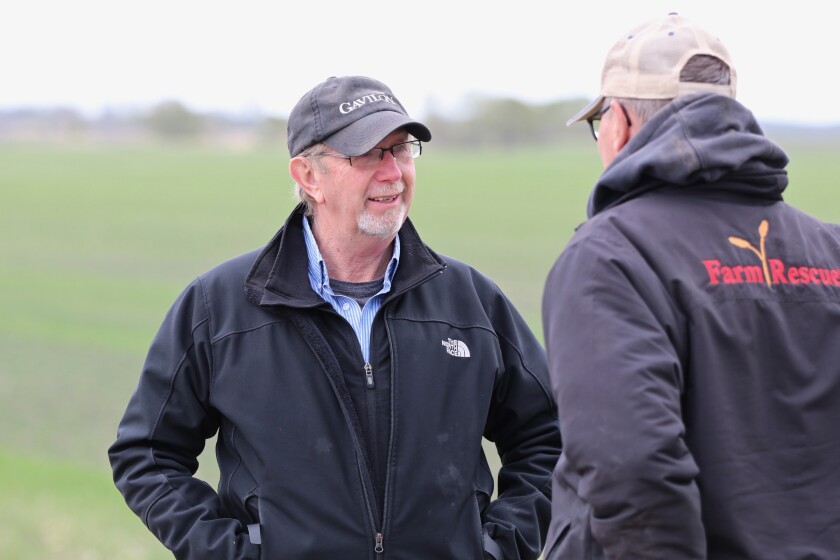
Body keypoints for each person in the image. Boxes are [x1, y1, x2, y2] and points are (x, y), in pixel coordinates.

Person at [109, 75, 561, 560]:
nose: (393, 172)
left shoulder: (471, 302)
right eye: (368, 155)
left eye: (401, 150)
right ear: (308, 176)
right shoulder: (219, 307)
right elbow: (146, 454)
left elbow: (549, 438)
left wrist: (497, 548)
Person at [542, 13, 840, 560]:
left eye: (599, 123)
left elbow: (631, 468)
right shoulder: (831, 251)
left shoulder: (611, 258)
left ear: (620, 124)